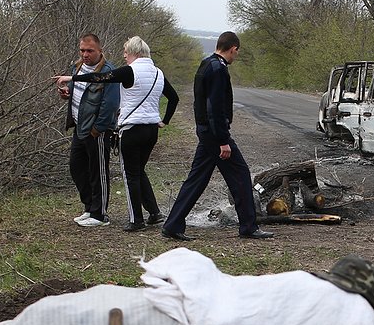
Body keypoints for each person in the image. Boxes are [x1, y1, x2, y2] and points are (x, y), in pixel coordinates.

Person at [55, 36, 178, 232]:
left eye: (126, 52)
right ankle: (154, 213)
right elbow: (174, 97)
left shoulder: (129, 71)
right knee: (138, 170)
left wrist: (73, 78)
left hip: (131, 129)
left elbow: (100, 79)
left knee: (130, 175)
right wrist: (165, 120)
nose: (124, 56)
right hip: (151, 129)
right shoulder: (158, 73)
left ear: (135, 53)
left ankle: (135, 219)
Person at [160, 31, 273, 241]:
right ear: (233, 48)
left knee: (196, 180)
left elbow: (200, 104)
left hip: (205, 132)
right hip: (214, 135)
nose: (235, 57)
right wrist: (223, 140)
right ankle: (248, 226)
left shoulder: (206, 64)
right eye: (236, 52)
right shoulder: (218, 69)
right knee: (240, 175)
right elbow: (215, 108)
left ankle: (173, 223)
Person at [57, 33, 120, 227]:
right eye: (82, 50)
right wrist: (66, 93)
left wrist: (97, 129)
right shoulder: (76, 68)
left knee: (98, 171)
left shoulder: (109, 72)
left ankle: (100, 214)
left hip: (96, 131)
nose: (85, 54)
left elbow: (110, 105)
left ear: (100, 51)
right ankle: (89, 207)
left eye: (90, 51)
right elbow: (79, 94)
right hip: (79, 127)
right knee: (76, 168)